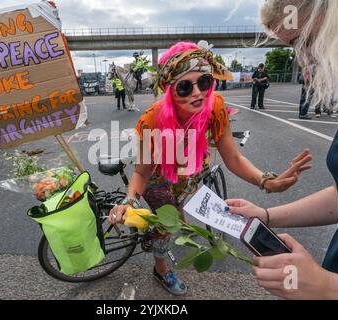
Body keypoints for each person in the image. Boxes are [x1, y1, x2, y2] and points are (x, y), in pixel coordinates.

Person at [108, 41, 312, 296]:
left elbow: (233, 158)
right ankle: (160, 268)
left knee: (179, 211)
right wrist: (129, 201)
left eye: (204, 82)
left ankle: (170, 222)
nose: (197, 93)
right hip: (158, 175)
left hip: (191, 171)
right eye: (185, 87)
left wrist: (266, 181)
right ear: (170, 91)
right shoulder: (151, 119)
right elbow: (141, 173)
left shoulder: (215, 105)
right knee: (167, 225)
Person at [226, 0, 338, 299]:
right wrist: (265, 215)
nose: (302, 59)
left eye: (305, 41)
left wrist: (327, 287)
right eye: (293, 47)